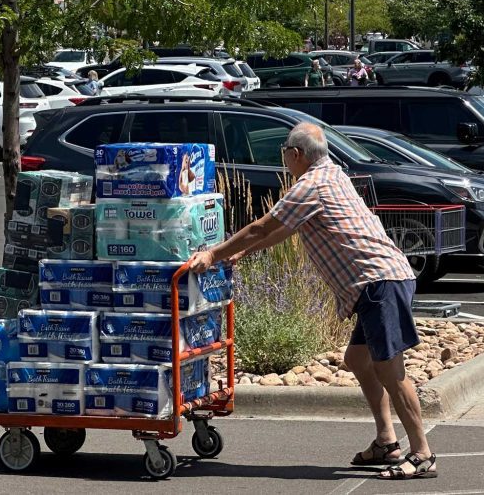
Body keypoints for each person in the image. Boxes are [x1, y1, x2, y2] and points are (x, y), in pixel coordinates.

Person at [187, 123, 437, 480]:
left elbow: (261, 226)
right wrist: (243, 252)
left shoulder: (311, 184)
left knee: (390, 370)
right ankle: (386, 441)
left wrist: (213, 254)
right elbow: (286, 228)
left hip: (379, 282)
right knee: (357, 359)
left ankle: (423, 453)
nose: (284, 159)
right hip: (379, 281)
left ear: (296, 154)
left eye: (284, 152)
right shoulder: (332, 174)